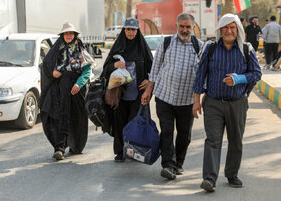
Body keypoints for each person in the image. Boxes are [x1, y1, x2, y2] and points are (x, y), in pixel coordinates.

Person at [193, 14, 261, 192]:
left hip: (237, 103)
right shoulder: (211, 48)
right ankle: (209, 178)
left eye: (232, 27)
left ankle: (232, 174)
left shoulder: (247, 49)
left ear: (238, 30)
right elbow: (200, 74)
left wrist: (239, 79)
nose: (229, 31)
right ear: (220, 30)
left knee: (236, 141)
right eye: (225, 27)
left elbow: (256, 74)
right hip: (213, 102)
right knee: (213, 140)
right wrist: (196, 101)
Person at [141, 13, 204, 180]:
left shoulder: (200, 47)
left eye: (188, 27)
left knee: (184, 134)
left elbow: (202, 76)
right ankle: (168, 165)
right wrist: (148, 91)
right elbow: (155, 69)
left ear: (193, 27)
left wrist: (199, 99)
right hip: (165, 96)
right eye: (181, 26)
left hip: (187, 100)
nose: (184, 30)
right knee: (167, 131)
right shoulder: (166, 42)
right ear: (177, 26)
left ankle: (179, 164)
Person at [40, 22, 94, 161]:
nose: (68, 35)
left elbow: (87, 70)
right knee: (62, 115)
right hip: (62, 86)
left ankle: (76, 145)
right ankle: (60, 148)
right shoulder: (57, 49)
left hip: (78, 87)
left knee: (78, 116)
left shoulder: (81, 50)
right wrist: (53, 73)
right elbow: (46, 65)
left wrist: (79, 84)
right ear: (63, 35)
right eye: (66, 33)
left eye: (71, 33)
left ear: (75, 35)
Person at [102, 17, 153, 162]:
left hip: (138, 95)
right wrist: (115, 65)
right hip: (119, 96)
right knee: (119, 124)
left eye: (133, 30)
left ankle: (134, 151)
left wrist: (149, 82)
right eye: (128, 29)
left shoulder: (143, 49)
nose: (130, 33)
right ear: (124, 31)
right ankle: (120, 152)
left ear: (137, 31)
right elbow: (105, 70)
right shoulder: (118, 48)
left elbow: (154, 69)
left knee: (135, 124)